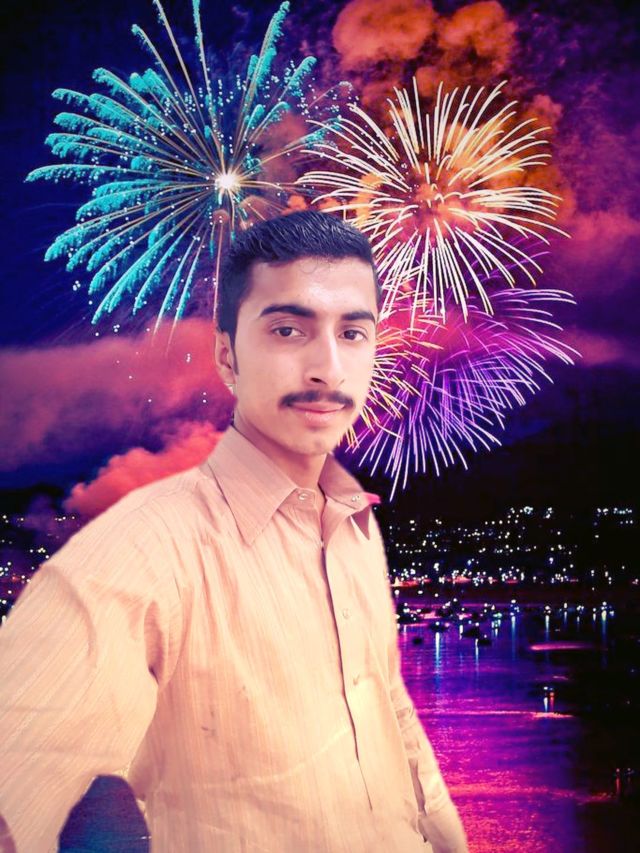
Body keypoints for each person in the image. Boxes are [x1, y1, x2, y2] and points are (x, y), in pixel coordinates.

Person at [0, 211, 468, 852]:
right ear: (227, 355)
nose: (328, 369)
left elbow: (392, 714)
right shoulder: (145, 551)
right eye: (288, 330)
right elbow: (18, 769)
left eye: (352, 333)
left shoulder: (354, 527)